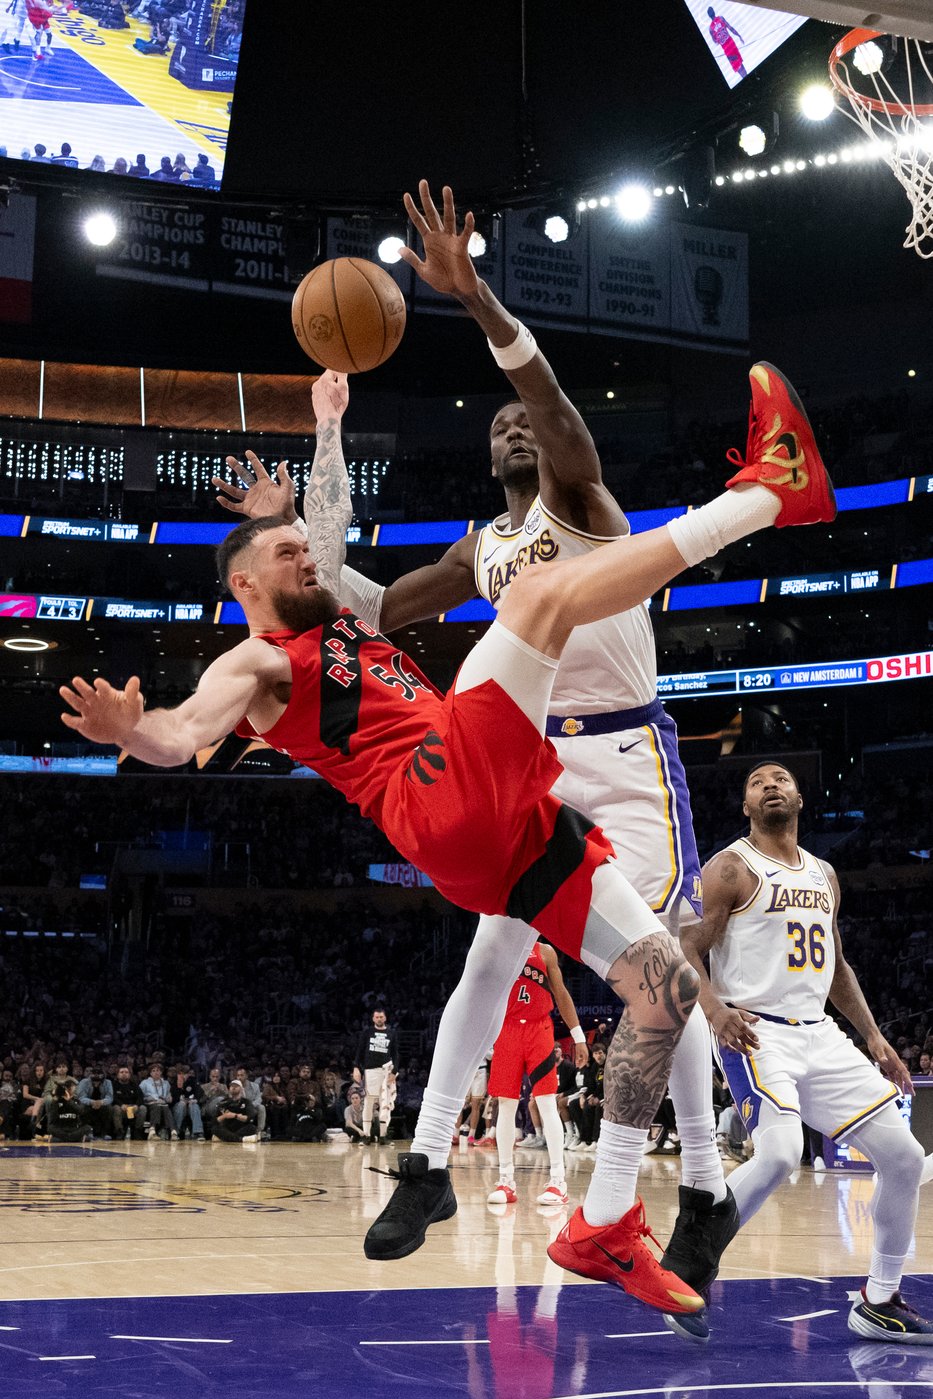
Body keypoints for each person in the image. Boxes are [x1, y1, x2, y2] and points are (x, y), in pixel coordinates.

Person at [61, 322, 834, 1322]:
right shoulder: (259, 661)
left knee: (667, 988)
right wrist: (139, 731)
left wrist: (320, 442)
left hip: (505, 825)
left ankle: (604, 1220)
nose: (311, 559)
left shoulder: (339, 619)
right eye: (288, 556)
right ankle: (768, 494)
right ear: (247, 586)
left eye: (307, 551)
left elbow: (332, 543)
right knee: (539, 598)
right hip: (437, 789)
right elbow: (185, 729)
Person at [212, 182, 745, 1286]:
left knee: (659, 969)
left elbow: (551, 407)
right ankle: (425, 1160)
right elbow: (355, 606)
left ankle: (699, 1185)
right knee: (492, 953)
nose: (512, 426)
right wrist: (289, 516)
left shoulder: (580, 500)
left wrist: (478, 300)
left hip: (626, 756)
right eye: (496, 423)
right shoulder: (477, 549)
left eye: (523, 422)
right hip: (524, 762)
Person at [680, 760, 933, 1342]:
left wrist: (874, 1037)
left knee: (904, 1158)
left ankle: (879, 1299)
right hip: (756, 1029)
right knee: (779, 1153)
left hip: (820, 1032)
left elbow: (836, 965)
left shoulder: (825, 873)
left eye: (781, 779)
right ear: (746, 806)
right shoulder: (731, 867)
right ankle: (687, 1268)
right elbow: (685, 949)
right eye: (757, 782)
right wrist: (715, 1011)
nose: (770, 785)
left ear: (799, 796)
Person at [487, 941, 587, 1209]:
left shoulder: (545, 952)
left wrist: (578, 1036)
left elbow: (561, 993)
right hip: (506, 1030)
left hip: (539, 1029)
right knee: (505, 1104)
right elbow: (482, 993)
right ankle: (506, 1180)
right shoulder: (498, 947)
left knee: (546, 1102)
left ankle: (558, 1181)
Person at [353, 1008, 398, 1146]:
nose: (379, 1019)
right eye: (377, 1017)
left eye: (381, 1017)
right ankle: (366, 1135)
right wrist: (356, 1067)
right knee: (368, 1102)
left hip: (386, 1071)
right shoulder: (367, 1032)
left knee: (385, 1103)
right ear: (373, 1018)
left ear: (385, 1018)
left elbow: (396, 1054)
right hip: (370, 1071)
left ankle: (383, 1136)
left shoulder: (391, 1033)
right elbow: (360, 1051)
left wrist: (394, 1072)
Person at [75, 1066, 114, 1139]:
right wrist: (92, 1102)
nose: (96, 1075)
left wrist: (101, 1102)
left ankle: (105, 1133)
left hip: (102, 1104)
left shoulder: (108, 1082)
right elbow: (81, 1097)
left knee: (109, 1108)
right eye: (94, 1073)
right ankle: (87, 1132)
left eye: (99, 1074)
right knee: (83, 1107)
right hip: (88, 1103)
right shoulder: (84, 1082)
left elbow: (110, 1097)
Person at [707, 6, 746, 79]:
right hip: (732, 44)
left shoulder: (711, 29)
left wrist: (718, 37)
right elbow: (730, 28)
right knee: (741, 64)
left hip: (727, 50)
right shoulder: (721, 18)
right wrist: (739, 36)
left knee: (738, 67)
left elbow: (715, 42)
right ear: (714, 12)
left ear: (709, 16)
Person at [138, 1062, 174, 1139]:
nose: (156, 1072)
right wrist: (149, 1099)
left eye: (158, 1070)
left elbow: (168, 1095)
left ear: (161, 1072)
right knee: (156, 1106)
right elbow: (140, 1096)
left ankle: (172, 1131)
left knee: (166, 1108)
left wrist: (168, 1098)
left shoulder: (166, 1083)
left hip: (163, 1103)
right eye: (153, 1071)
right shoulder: (145, 1083)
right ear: (150, 1073)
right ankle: (152, 1130)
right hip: (150, 1104)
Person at [169, 1064, 205, 1141]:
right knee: (181, 1105)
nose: (183, 1076)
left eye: (185, 1074)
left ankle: (198, 1132)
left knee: (194, 1105)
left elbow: (199, 1092)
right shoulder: (174, 1082)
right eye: (181, 1074)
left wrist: (195, 1099)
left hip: (190, 1106)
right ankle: (176, 1132)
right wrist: (180, 1086)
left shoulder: (192, 1081)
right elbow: (172, 1098)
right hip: (179, 1106)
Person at [111, 1065, 146, 1140]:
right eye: (122, 1072)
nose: (124, 1074)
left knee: (143, 1108)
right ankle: (119, 1131)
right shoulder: (113, 1085)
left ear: (130, 1075)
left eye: (126, 1072)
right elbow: (113, 1098)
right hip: (121, 1108)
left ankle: (137, 1131)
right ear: (117, 1075)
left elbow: (140, 1098)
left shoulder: (134, 1085)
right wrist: (121, 1105)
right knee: (116, 1108)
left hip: (132, 1108)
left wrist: (136, 1105)